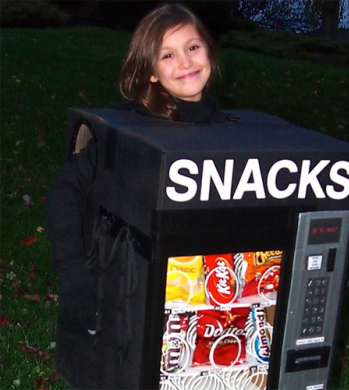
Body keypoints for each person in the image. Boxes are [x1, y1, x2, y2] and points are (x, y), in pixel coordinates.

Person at [46, 3, 228, 338]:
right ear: (151, 72)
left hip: (209, 293)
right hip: (137, 295)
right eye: (168, 55)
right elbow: (65, 192)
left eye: (192, 47)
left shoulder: (235, 134)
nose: (185, 62)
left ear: (210, 53)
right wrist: (73, 276)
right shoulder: (127, 136)